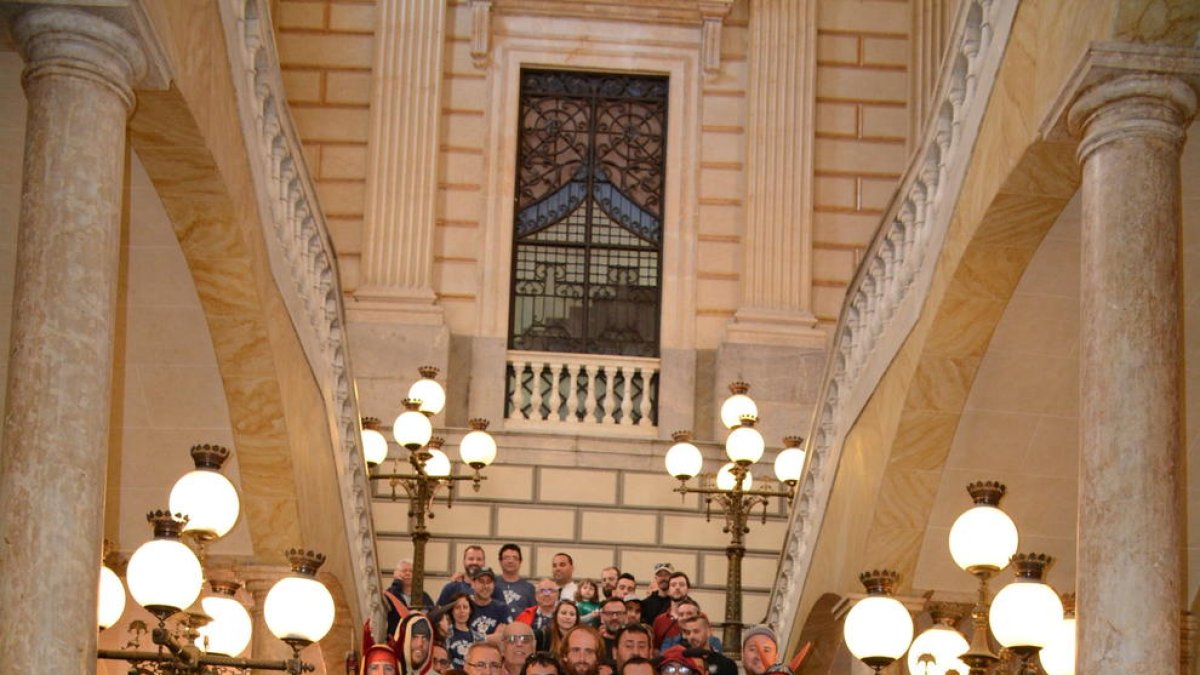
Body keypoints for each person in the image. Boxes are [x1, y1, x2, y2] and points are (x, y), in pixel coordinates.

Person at [496, 543, 537, 622]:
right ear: (500, 561)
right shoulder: (492, 584)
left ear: (520, 562)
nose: (511, 561)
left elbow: (534, 613)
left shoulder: (529, 588)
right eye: (506, 558)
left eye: (515, 558)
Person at [650, 574, 692, 649]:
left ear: (688, 590)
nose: (677, 587)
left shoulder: (698, 617)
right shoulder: (659, 621)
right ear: (668, 591)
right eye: (673, 585)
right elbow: (655, 649)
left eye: (682, 585)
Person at [468, 566, 511, 636]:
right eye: (481, 581)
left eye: (489, 582)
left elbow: (504, 638)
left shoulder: (502, 609)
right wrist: (492, 638)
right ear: (472, 584)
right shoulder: (466, 607)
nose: (485, 586)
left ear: (494, 585)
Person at [445, 593, 482, 669]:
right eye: (457, 607)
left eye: (465, 607)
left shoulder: (479, 638)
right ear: (452, 611)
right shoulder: (445, 635)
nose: (461, 611)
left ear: (470, 611)